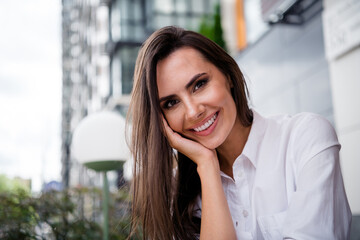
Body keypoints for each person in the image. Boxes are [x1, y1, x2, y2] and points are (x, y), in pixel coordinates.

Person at [127, 26, 352, 240]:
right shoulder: (178, 195)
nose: (193, 111)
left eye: (199, 84)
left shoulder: (304, 138)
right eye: (172, 103)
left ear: (228, 75)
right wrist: (207, 166)